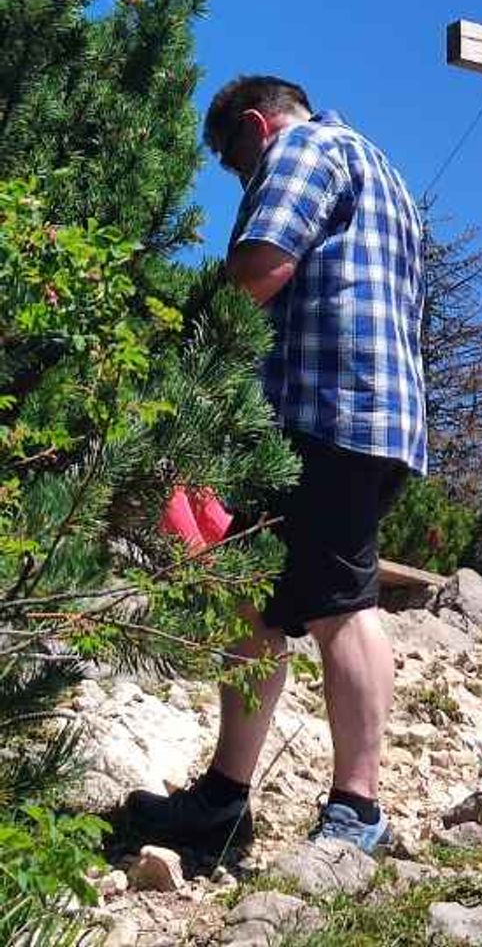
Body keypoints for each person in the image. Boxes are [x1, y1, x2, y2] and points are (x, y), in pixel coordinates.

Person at [127, 76, 427, 856]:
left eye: (235, 162)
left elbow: (260, 267)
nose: (241, 180)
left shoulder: (304, 148)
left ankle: (357, 810)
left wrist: (175, 361)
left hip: (330, 414)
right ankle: (224, 800)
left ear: (259, 125)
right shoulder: (381, 171)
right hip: (365, 412)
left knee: (338, 601)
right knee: (254, 603)